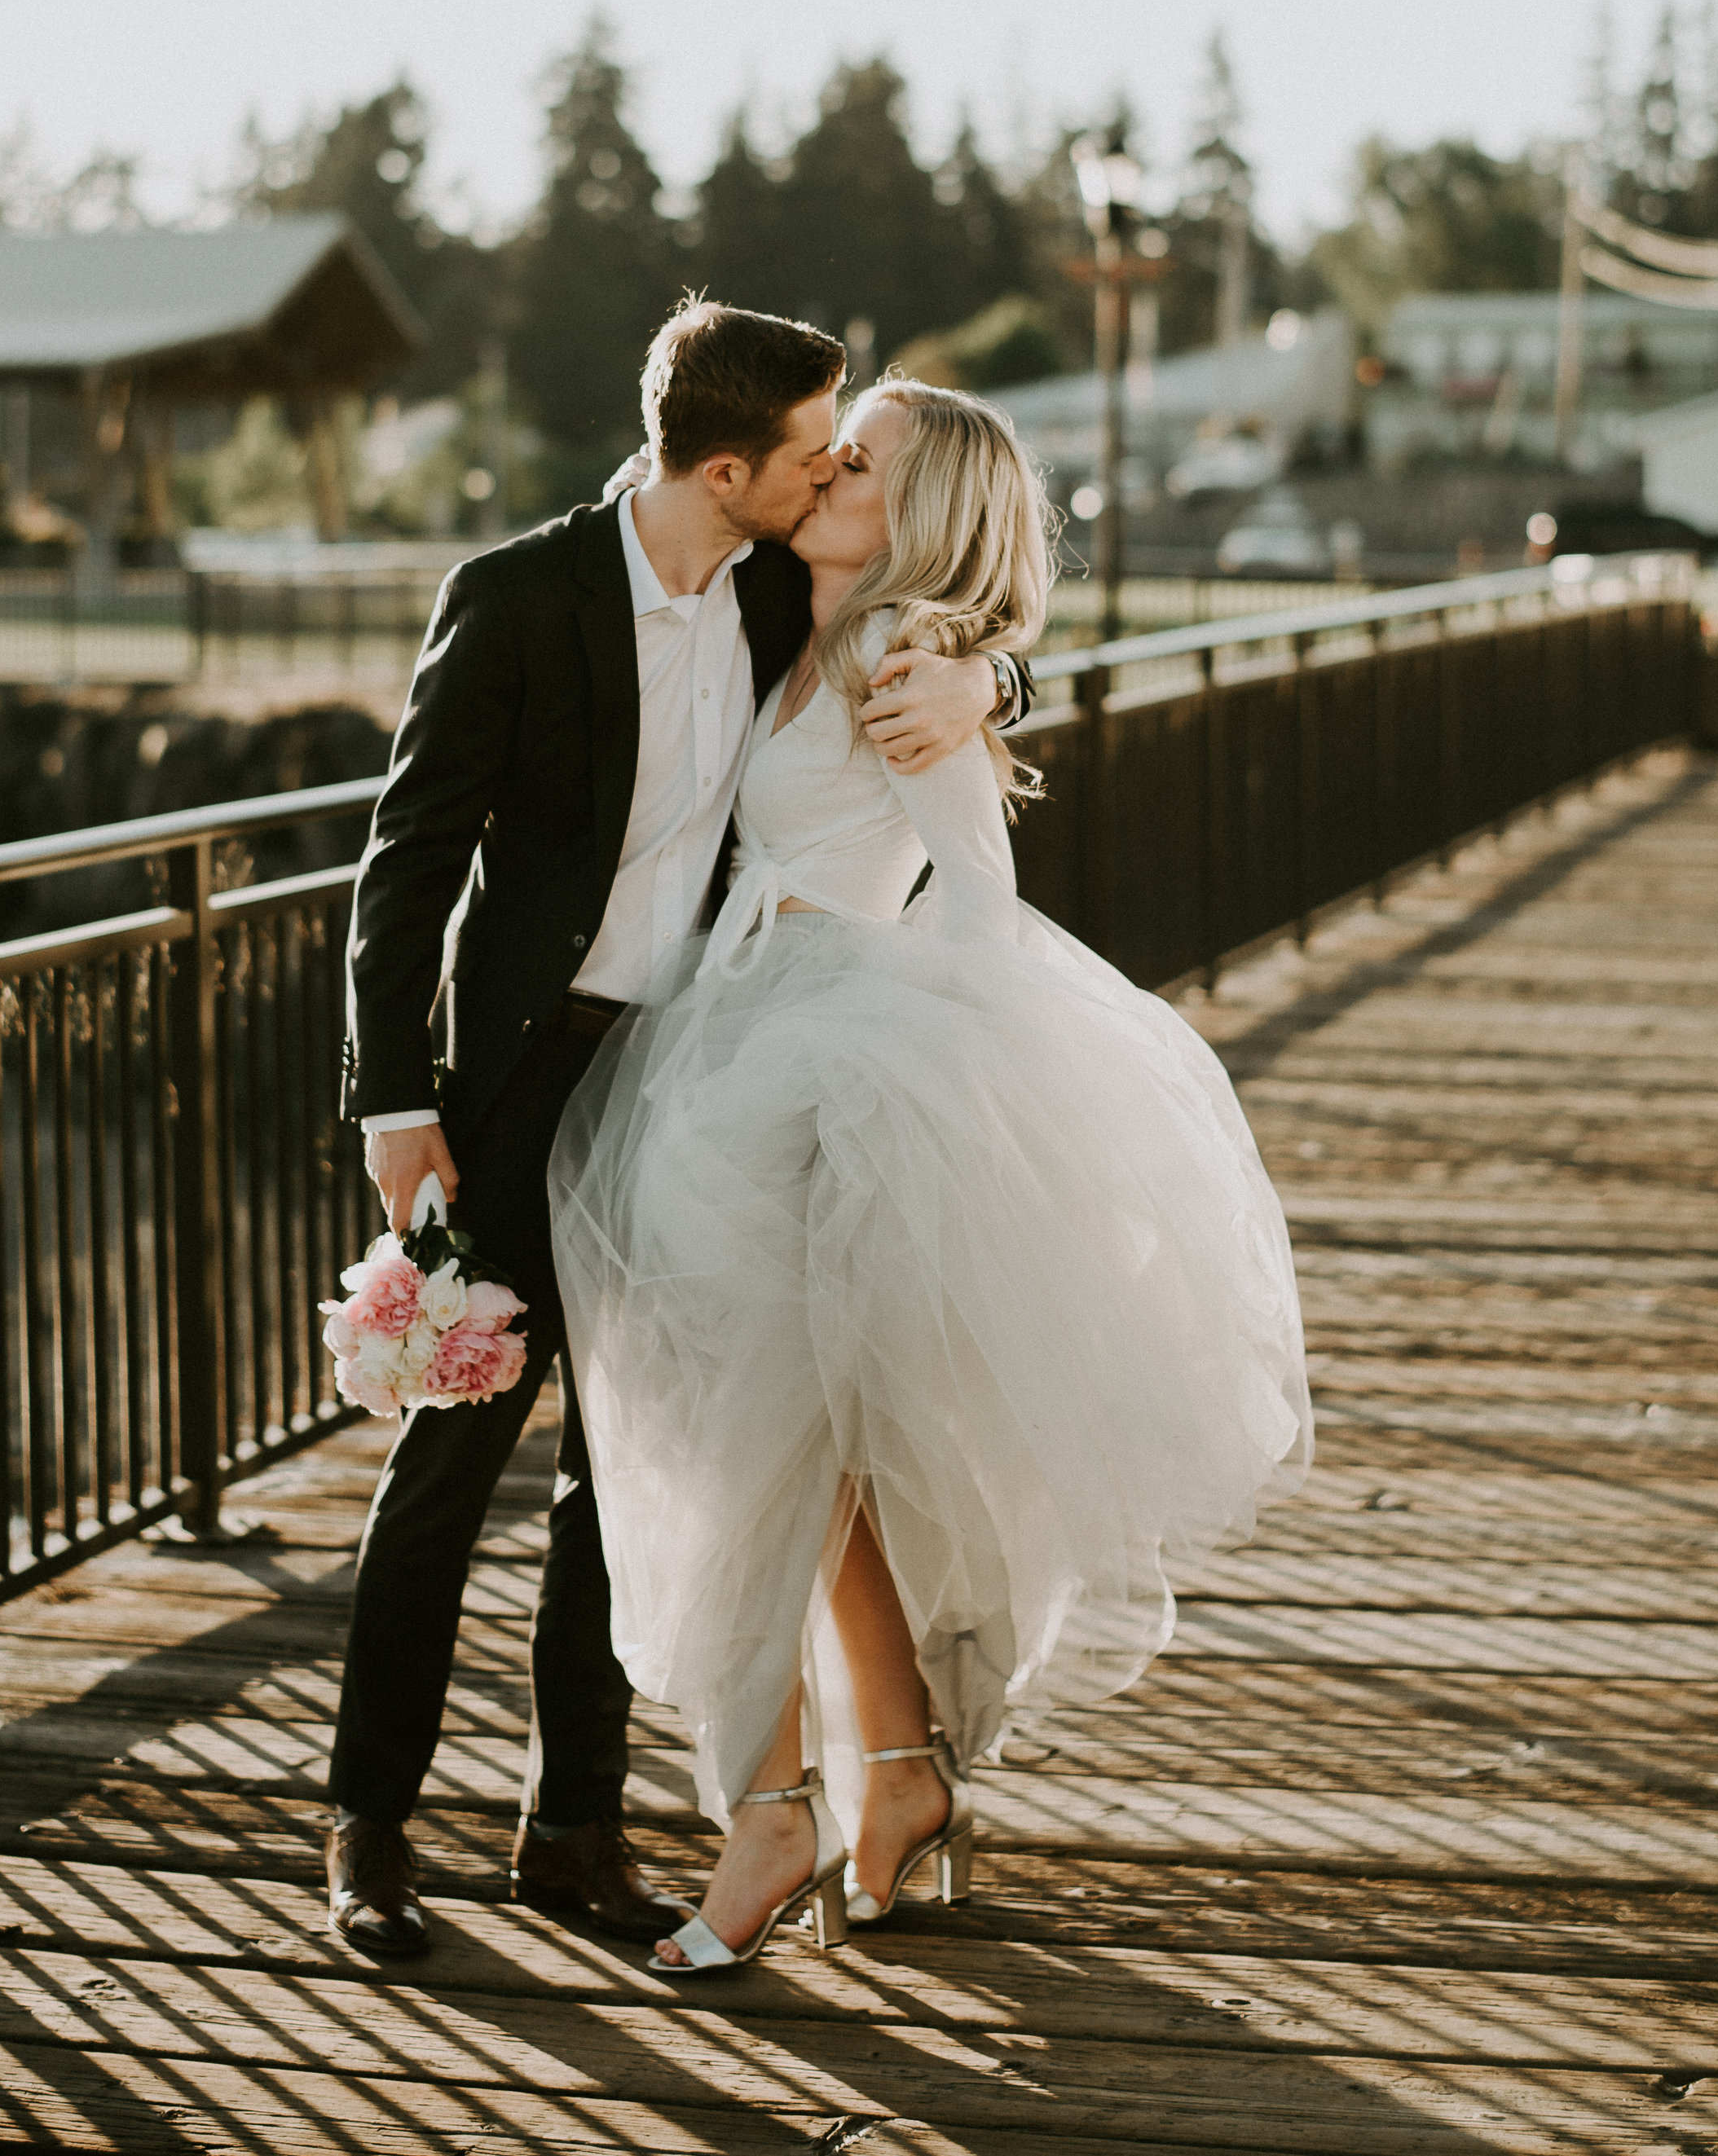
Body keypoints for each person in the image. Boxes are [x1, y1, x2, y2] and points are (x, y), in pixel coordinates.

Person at [549, 379, 1312, 1973]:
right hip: (714, 1051)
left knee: (765, 1458)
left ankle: (770, 1816)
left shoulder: (907, 667)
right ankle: (886, 1785)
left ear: (922, 509)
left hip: (828, 1072)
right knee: (785, 1457)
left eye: (866, 454)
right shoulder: (783, 605)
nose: (830, 459)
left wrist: (943, 1092)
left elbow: (973, 891)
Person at [325, 304, 1029, 1960]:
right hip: (515, 1088)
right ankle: (369, 1829)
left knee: (620, 1467)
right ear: (729, 469)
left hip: (693, 1077)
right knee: (446, 1457)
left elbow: (933, 598)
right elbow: (403, 861)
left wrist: (993, 668)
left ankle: (569, 1828)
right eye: (809, 451)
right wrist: (392, 1094)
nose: (830, 466)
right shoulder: (512, 598)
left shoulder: (788, 579)